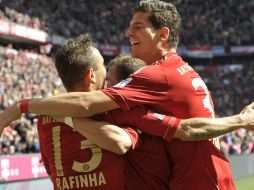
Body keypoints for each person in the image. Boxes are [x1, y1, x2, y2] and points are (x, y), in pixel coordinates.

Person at [0, 1, 254, 189]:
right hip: (210, 177)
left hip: (199, 182)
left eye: (138, 27)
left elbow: (87, 103)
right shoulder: (181, 70)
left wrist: (21, 106)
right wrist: (239, 120)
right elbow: (183, 128)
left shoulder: (156, 75)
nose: (128, 33)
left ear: (163, 34)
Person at [36, 34, 141, 190]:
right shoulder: (111, 108)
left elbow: (51, 171)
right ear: (91, 75)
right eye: (103, 65)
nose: (106, 72)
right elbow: (122, 143)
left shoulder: (45, 115)